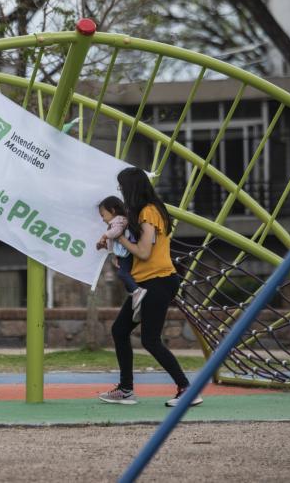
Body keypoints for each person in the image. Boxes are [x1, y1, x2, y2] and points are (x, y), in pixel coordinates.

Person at [98, 167, 202, 408]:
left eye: (122, 187)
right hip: (147, 282)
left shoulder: (149, 211)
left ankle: (187, 389)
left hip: (159, 281)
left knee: (150, 340)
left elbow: (144, 252)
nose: (120, 192)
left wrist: (119, 238)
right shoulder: (143, 212)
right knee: (119, 330)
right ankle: (125, 389)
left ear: (131, 187)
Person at [96, 196, 147, 322]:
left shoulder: (119, 220)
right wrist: (105, 245)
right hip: (123, 254)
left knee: (123, 273)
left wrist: (104, 236)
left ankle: (137, 292)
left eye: (103, 215)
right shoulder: (115, 222)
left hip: (127, 253)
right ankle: (138, 302)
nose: (102, 219)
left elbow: (117, 231)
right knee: (124, 276)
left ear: (112, 210)